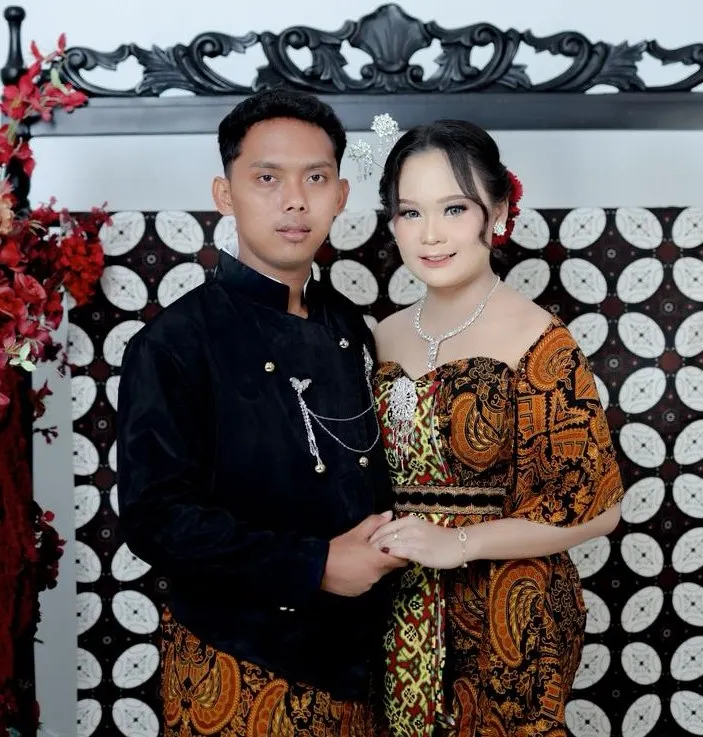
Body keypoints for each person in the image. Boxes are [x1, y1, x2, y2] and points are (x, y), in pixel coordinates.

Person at [116, 89, 406, 737]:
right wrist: (316, 564)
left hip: (363, 660)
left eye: (316, 178)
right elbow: (156, 518)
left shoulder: (348, 325)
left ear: (341, 195)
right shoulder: (175, 341)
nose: (294, 201)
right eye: (267, 178)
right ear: (226, 194)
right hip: (241, 662)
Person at [368, 120, 624, 737]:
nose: (430, 234)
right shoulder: (380, 336)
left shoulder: (540, 339)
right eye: (410, 212)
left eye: (454, 209)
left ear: (500, 210)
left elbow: (599, 509)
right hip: (393, 607)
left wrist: (458, 544)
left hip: (512, 612)